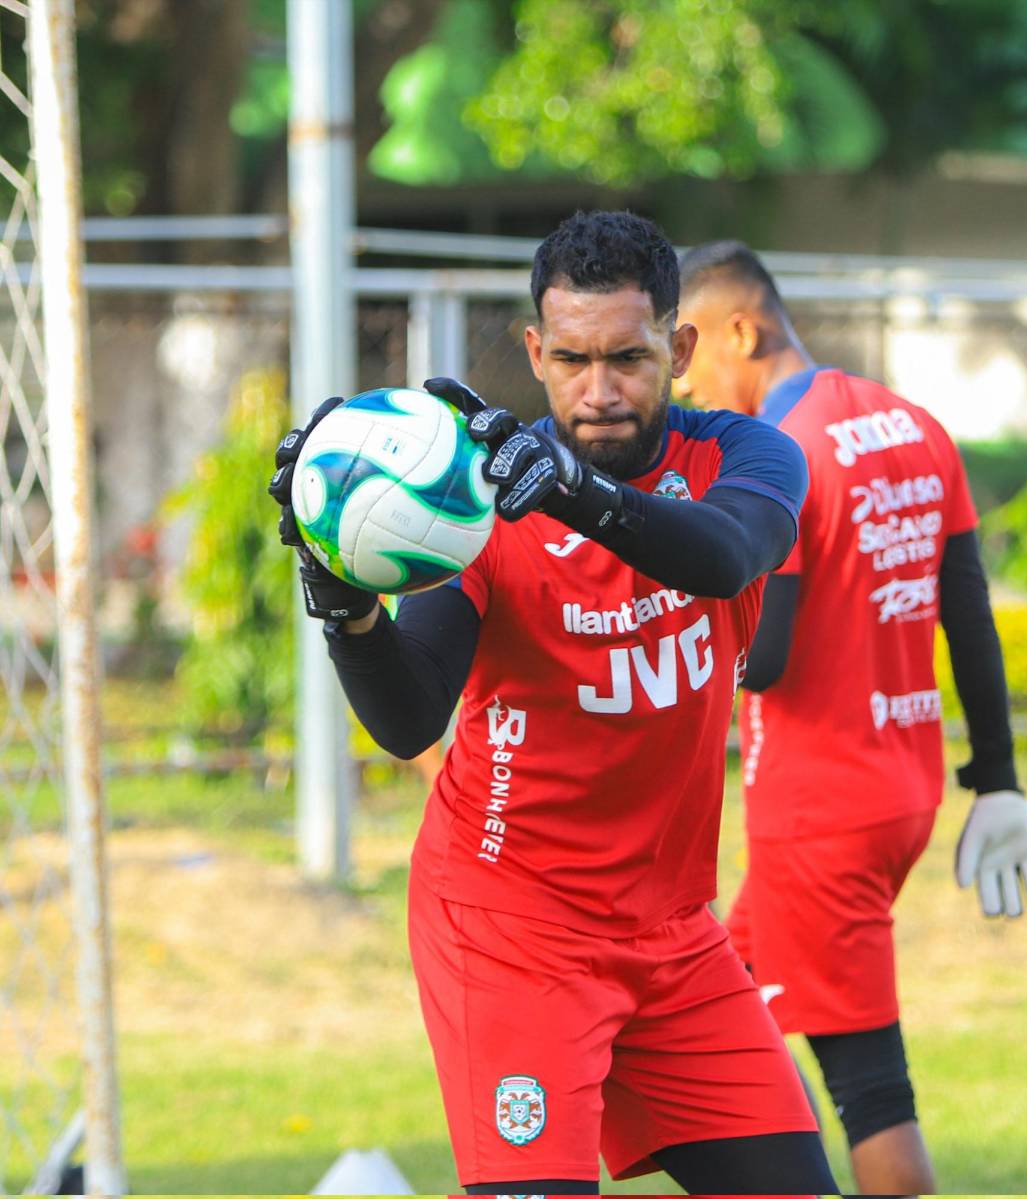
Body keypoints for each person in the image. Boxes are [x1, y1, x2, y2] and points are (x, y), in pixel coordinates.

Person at [269, 212, 839, 1196]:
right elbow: (410, 718)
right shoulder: (475, 504)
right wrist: (345, 603)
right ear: (536, 351)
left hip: (673, 933)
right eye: (572, 358)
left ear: (681, 346)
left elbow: (723, 556)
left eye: (629, 356)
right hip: (512, 929)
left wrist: (578, 494)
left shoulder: (749, 455)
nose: (600, 389)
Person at [675, 241, 1027, 1196]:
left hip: (820, 814)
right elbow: (967, 612)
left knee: (868, 1090)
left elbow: (765, 657)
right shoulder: (911, 424)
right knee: (709, 1032)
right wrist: (998, 777)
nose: (689, 391)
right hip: (897, 790)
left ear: (742, 328)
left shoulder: (784, 455)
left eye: (692, 357)